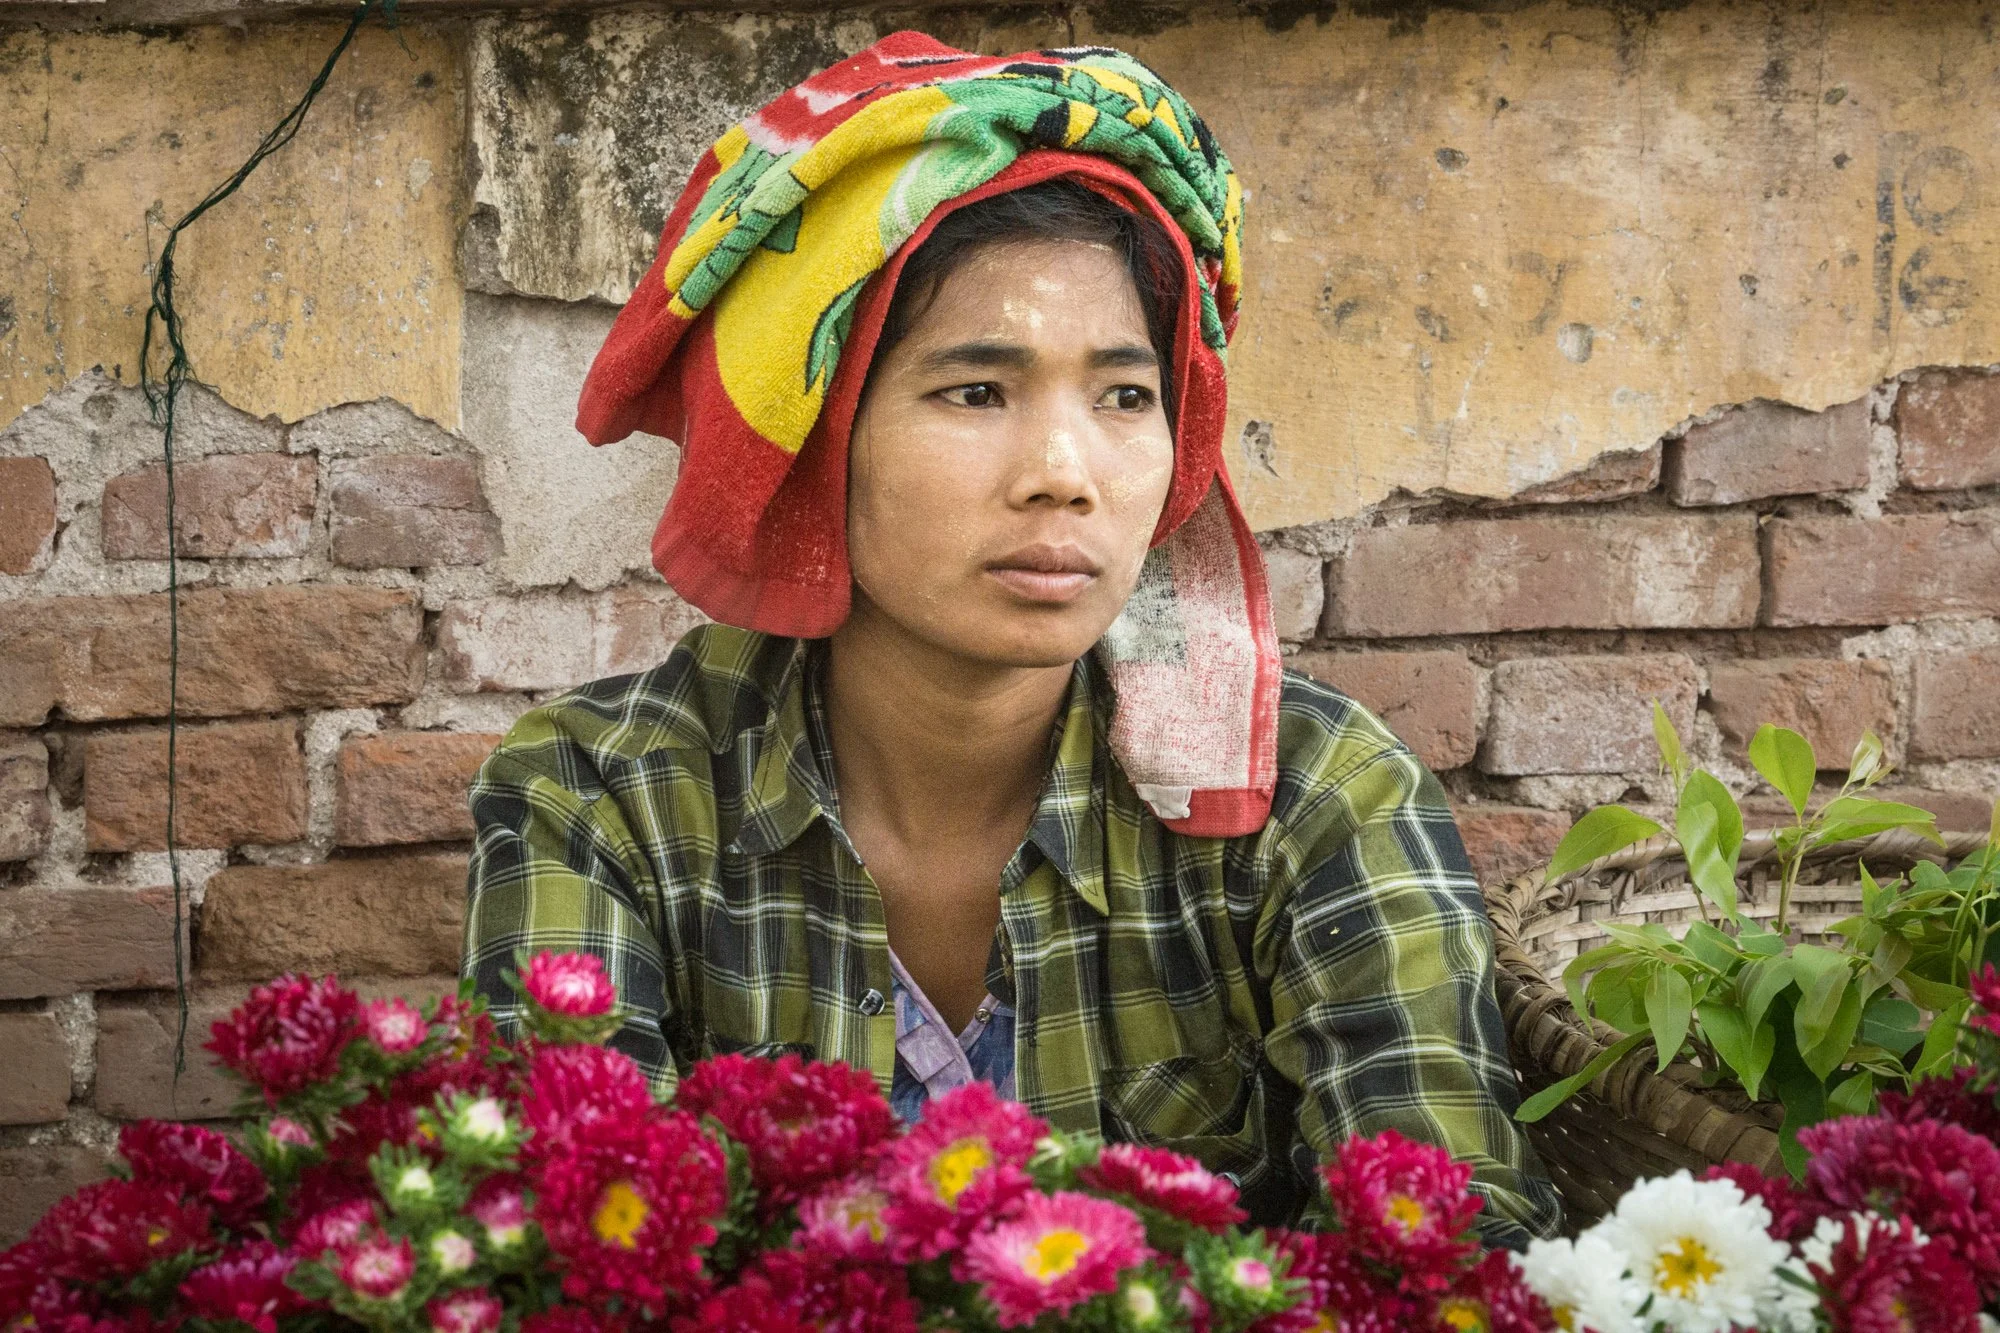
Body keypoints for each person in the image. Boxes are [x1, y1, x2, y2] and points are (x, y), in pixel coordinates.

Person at [462, 31, 1562, 1245]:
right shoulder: (606, 798)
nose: (1062, 475)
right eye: (974, 392)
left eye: (1124, 397)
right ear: (818, 438)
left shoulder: (1312, 800)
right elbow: (565, 1256)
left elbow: (1448, 1250)